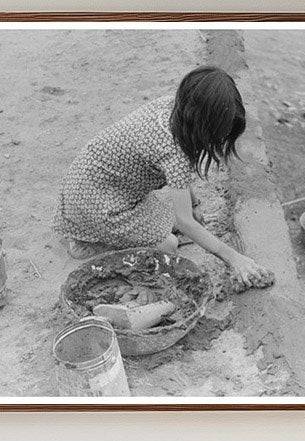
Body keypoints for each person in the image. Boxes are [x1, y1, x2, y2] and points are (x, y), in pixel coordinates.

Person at [54, 66, 272, 287]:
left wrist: (194, 204)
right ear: (205, 126)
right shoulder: (172, 152)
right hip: (97, 205)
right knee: (168, 244)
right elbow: (185, 221)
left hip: (88, 183)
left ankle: (96, 233)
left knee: (171, 218)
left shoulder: (174, 108)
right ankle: (91, 243)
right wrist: (234, 258)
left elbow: (180, 182)